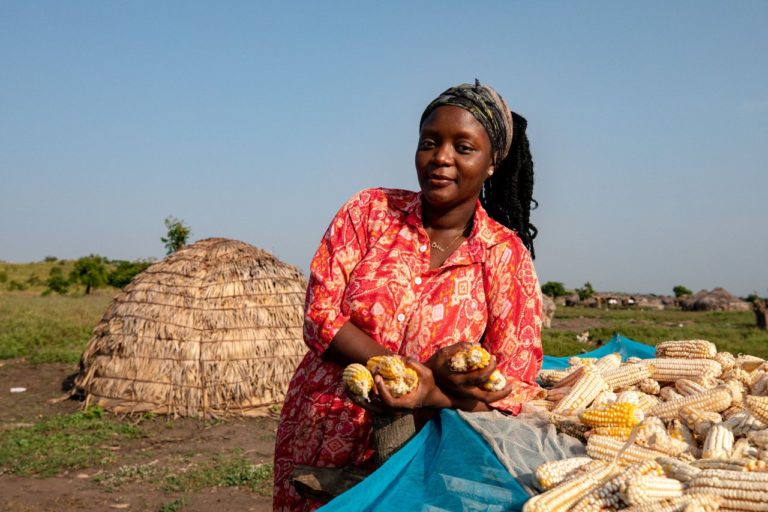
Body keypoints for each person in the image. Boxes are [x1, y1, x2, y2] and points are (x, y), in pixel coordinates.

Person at [273, 81, 544, 511]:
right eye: (430, 143)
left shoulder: (504, 255)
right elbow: (321, 314)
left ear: (492, 163)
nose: (441, 157)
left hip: (424, 453)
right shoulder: (369, 212)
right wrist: (398, 371)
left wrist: (430, 391)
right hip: (327, 426)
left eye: (463, 147)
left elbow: (516, 382)